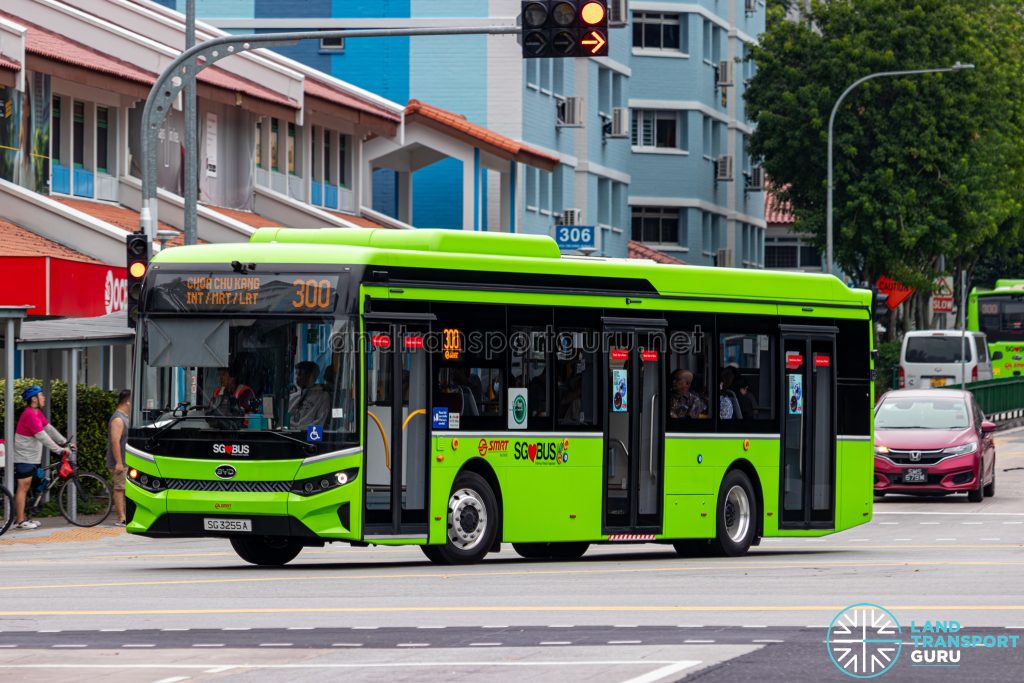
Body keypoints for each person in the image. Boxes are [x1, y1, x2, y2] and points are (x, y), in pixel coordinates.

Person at [12, 386, 70, 530]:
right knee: (23, 487)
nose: (44, 398)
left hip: (31, 457)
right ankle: (19, 521)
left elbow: (49, 429)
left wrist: (64, 442)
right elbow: (42, 436)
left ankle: (23, 518)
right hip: (24, 457)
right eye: (41, 395)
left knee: (27, 487)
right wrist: (60, 450)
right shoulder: (29, 414)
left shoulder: (36, 413)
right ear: (34, 399)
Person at [106, 389, 131, 527]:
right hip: (120, 462)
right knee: (120, 488)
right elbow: (115, 441)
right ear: (127, 401)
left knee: (125, 488)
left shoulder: (125, 417)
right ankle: (121, 518)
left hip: (126, 461)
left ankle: (125, 516)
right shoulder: (118, 419)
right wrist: (119, 463)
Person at [288, 361, 331, 430]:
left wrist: (298, 431)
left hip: (307, 437)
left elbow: (319, 423)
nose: (297, 378)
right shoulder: (292, 397)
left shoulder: (322, 396)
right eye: (296, 374)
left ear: (310, 376)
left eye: (300, 374)